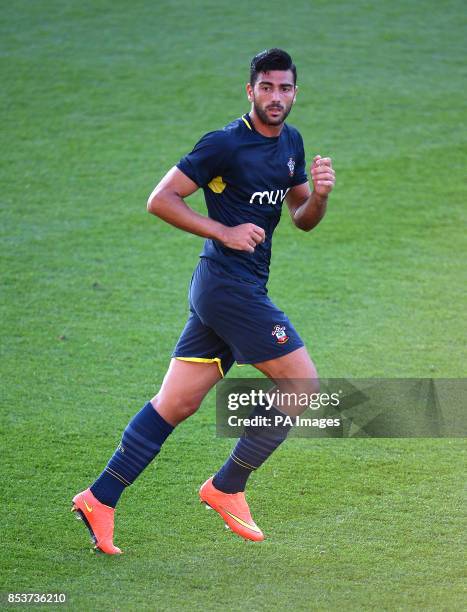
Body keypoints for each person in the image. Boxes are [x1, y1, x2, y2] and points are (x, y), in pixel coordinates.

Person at [71, 48, 336, 554]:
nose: (276, 97)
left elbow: (302, 216)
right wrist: (223, 231)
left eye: (285, 88)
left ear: (295, 92)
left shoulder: (292, 144)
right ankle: (227, 486)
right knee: (302, 384)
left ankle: (99, 498)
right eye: (267, 87)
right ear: (250, 90)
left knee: (176, 402)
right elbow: (161, 199)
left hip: (232, 290)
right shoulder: (224, 145)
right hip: (227, 288)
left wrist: (319, 195)